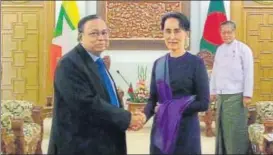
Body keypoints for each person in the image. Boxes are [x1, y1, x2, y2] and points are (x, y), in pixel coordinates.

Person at [47, 14, 146, 155]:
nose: (101, 37)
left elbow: (106, 97)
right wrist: (127, 118)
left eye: (104, 32)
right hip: (80, 144)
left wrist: (123, 118)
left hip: (104, 139)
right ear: (81, 37)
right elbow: (86, 104)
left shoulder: (97, 61)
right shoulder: (69, 64)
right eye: (94, 33)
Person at [143, 12, 210, 154]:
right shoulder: (159, 64)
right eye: (168, 31)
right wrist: (142, 117)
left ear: (186, 33)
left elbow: (203, 103)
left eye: (177, 31)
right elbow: (153, 100)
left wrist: (170, 108)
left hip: (185, 132)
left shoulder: (196, 63)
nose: (172, 36)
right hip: (161, 131)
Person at [210, 20, 254, 154]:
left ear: (234, 32)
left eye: (229, 32)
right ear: (220, 33)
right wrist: (212, 91)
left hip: (237, 96)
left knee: (235, 130)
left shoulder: (244, 49)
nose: (226, 35)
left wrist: (247, 94)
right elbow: (215, 72)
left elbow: (249, 72)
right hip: (222, 96)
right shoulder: (219, 49)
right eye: (223, 32)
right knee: (222, 129)